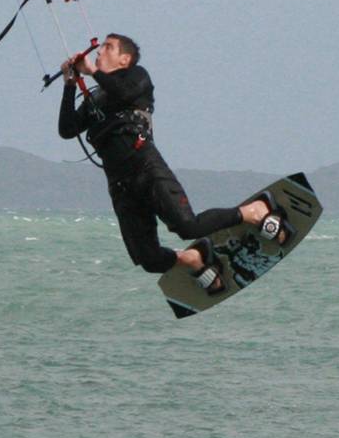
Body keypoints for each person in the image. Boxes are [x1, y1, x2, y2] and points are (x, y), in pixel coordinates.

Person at [58, 34, 292, 293]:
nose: (99, 52)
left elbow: (124, 92)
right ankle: (192, 259)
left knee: (188, 226)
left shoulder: (137, 77)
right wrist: (70, 84)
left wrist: (91, 71)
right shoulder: (97, 99)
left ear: (125, 59)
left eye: (107, 47)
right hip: (120, 185)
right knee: (147, 259)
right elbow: (67, 129)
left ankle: (254, 212)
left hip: (145, 168)